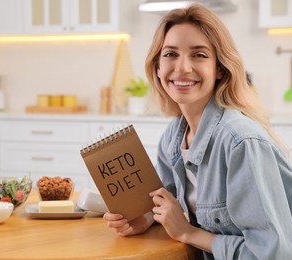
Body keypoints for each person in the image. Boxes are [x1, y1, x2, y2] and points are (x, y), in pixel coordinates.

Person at [103, 3, 292, 259]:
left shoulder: (240, 142)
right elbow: (164, 200)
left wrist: (188, 234)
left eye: (199, 55)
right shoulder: (174, 135)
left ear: (220, 70)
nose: (181, 68)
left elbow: (271, 254)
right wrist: (145, 219)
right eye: (170, 54)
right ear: (158, 67)